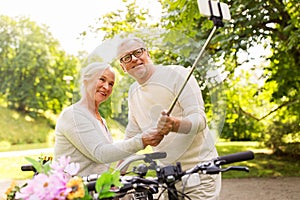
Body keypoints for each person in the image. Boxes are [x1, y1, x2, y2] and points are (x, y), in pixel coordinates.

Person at [116, 37, 221, 199]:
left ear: (147, 53)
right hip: (166, 178)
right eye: (126, 57)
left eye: (138, 52)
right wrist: (118, 174)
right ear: (123, 67)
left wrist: (174, 125)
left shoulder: (179, 74)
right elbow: (132, 135)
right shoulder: (133, 92)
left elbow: (199, 120)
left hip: (200, 174)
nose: (134, 59)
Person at [54, 62, 164, 177]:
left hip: (96, 191)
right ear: (86, 80)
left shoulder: (100, 120)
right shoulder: (73, 115)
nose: (106, 87)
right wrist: (142, 140)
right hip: (75, 192)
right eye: (102, 79)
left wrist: (116, 177)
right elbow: (101, 153)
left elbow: (108, 157)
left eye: (111, 84)